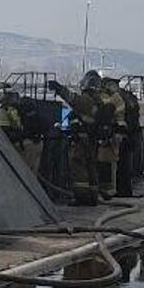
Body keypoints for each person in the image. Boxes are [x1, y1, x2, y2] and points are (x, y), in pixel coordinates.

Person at [46, 71, 107, 205]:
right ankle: (92, 195)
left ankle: (82, 196)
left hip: (82, 140)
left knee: (79, 166)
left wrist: (58, 88)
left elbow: (72, 99)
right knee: (91, 167)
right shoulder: (98, 101)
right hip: (91, 140)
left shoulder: (87, 100)